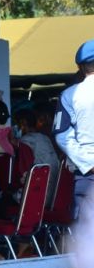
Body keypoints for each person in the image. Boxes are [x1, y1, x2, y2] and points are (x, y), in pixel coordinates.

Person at [54, 40, 94, 220]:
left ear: (80, 67)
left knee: (88, 236)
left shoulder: (69, 95)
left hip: (86, 176)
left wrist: (89, 164)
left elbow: (62, 136)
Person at [15, 108, 60, 205]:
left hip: (35, 198)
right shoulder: (45, 138)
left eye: (17, 124)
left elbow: (24, 173)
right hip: (54, 196)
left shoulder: (25, 142)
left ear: (23, 123)